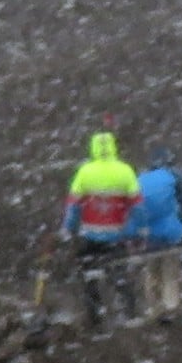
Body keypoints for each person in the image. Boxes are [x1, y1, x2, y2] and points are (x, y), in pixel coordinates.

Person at [60, 128, 142, 326]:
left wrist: (68, 229)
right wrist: (136, 230)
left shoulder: (85, 171)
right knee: (119, 275)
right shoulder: (125, 170)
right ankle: (129, 314)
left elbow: (73, 205)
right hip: (117, 234)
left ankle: (95, 317)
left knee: (90, 276)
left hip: (90, 235)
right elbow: (138, 206)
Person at [125, 151, 182, 322]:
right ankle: (171, 307)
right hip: (170, 233)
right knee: (169, 270)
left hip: (146, 235)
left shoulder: (141, 179)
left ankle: (154, 307)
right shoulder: (174, 176)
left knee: (152, 270)